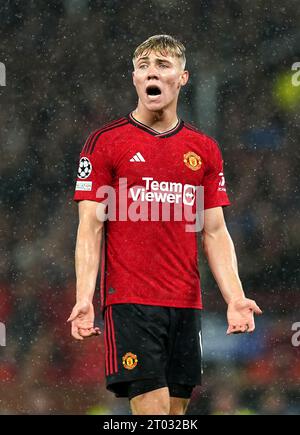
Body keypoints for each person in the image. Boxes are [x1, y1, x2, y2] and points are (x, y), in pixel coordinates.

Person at [68, 35, 262, 415]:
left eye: (162, 65)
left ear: (183, 78)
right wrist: (83, 297)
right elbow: (90, 225)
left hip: (185, 303)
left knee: (175, 414)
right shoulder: (106, 142)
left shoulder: (203, 149)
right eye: (143, 67)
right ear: (135, 79)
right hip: (131, 302)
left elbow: (215, 230)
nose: (151, 73)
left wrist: (235, 297)